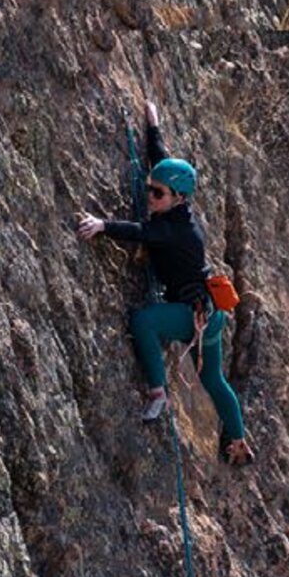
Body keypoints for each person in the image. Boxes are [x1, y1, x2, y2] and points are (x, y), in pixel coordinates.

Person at [78, 144, 253, 462]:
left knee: (145, 321)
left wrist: (102, 226)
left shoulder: (175, 230)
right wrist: (153, 126)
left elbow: (140, 231)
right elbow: (161, 162)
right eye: (149, 189)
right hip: (208, 315)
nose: (150, 197)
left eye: (157, 193)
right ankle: (238, 438)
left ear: (178, 197)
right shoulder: (175, 208)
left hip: (191, 316)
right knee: (213, 379)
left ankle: (158, 393)